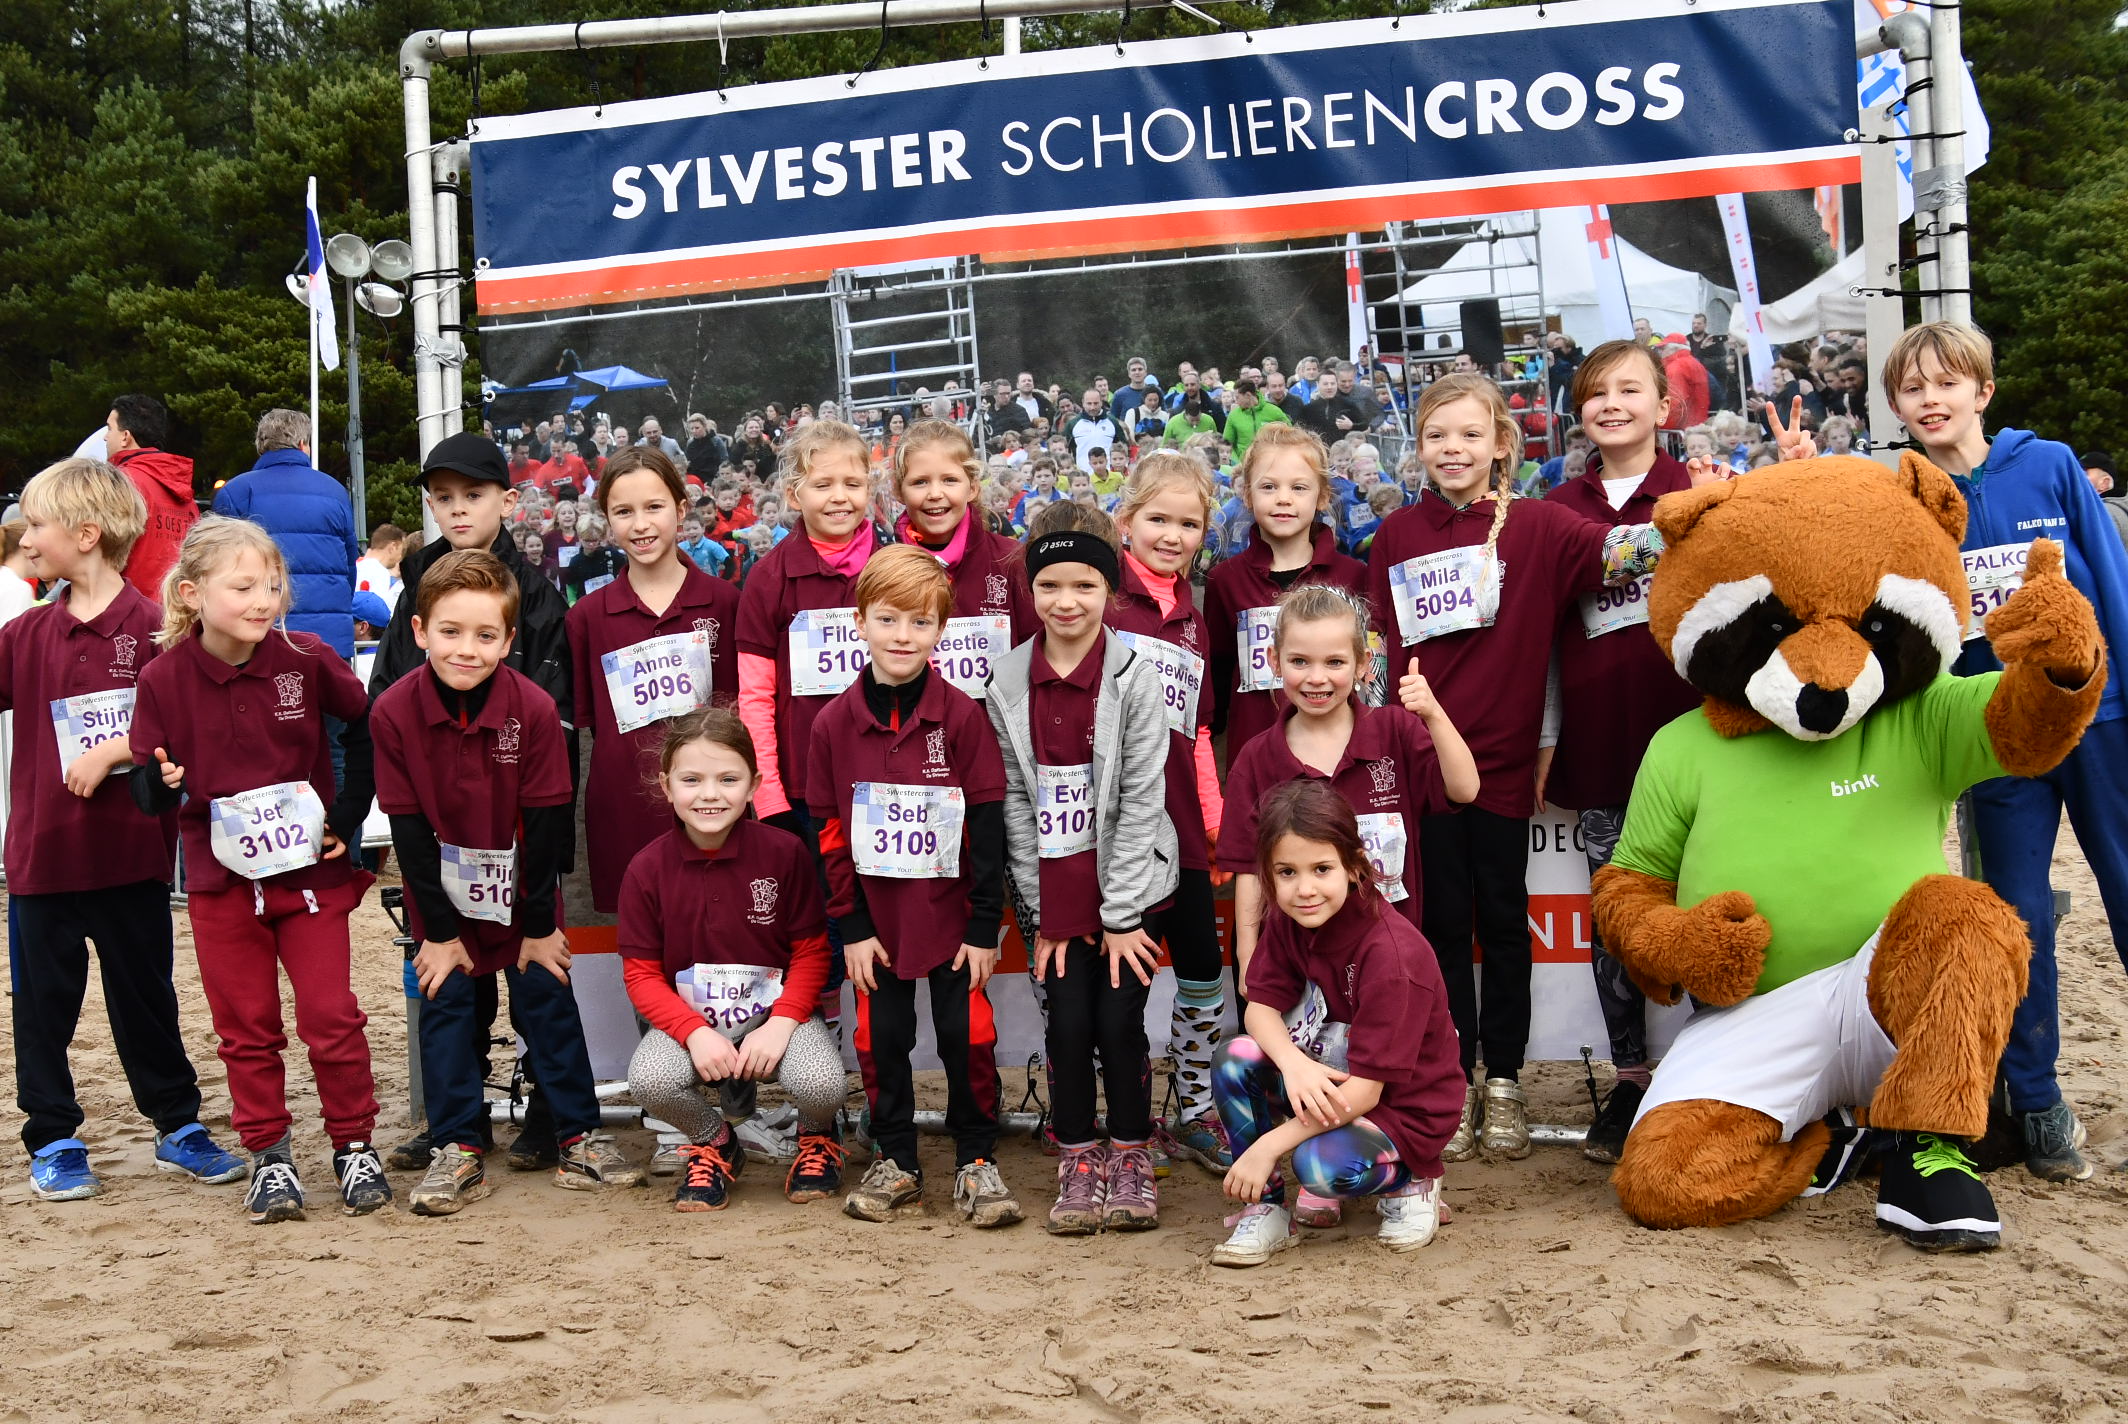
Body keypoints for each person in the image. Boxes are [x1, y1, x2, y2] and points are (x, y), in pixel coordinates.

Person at [1366, 373, 1663, 1162]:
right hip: (1420, 767)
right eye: (1437, 435)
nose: (1452, 449)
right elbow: (1378, 654)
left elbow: (1627, 554)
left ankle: (1503, 1080)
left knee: (1502, 925)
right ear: (1418, 446)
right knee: (1436, 929)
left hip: (1501, 770)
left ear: (1502, 443)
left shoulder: (1539, 526)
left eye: (1470, 434)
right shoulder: (1395, 534)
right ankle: (1450, 1078)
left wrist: (1712, 510)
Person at [1887, 321, 2128, 1183]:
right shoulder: (1907, 498)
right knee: (2017, 920)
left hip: (2097, 719)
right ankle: (2037, 1102)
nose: (1930, 399)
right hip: (1993, 737)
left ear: (1982, 391)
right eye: (1912, 388)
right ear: (1897, 405)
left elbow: (2110, 578)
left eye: (1946, 382)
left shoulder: (2051, 465)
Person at [128, 517, 389, 1223]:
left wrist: (348, 816)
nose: (262, 601)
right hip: (221, 885)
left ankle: (354, 1145)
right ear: (192, 594)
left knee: (332, 1016)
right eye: (242, 587)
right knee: (246, 1026)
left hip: (309, 875)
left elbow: (365, 724)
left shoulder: (305, 658)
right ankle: (270, 1156)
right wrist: (161, 782)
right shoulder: (162, 677)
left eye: (272, 586)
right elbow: (147, 787)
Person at [4, 459, 244, 1202]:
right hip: (41, 860)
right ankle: (53, 1136)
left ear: (86, 534)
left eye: (36, 524)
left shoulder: (156, 631)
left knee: (146, 1001)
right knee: (42, 1010)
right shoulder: (25, 634)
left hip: (132, 857)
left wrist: (118, 748)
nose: (25, 538)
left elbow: (195, 723)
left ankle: (177, 1125)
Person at [373, 549, 636, 1214]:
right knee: (447, 1004)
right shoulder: (393, 712)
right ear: (420, 631)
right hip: (441, 891)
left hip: (524, 888)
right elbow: (408, 833)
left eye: (485, 635)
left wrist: (538, 927)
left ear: (508, 639)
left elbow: (546, 824)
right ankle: (457, 1147)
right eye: (451, 631)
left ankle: (577, 1135)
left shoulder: (537, 708)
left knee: (546, 998)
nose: (467, 649)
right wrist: (438, 935)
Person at [1217, 584, 1477, 1225]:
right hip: (1303, 965)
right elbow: (1248, 867)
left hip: (1383, 971)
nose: (1317, 677)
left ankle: (1406, 1172)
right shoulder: (1258, 756)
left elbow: (1465, 789)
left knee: (1378, 1077)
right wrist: (1249, 954)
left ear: (1364, 665)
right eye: (1300, 661)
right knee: (1290, 1062)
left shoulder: (1393, 731)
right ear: (1274, 662)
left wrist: (1433, 713)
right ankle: (1290, 1193)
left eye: (1335, 662)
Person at [366, 431, 574, 1172]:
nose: (458, 510)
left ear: (505, 501)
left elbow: (550, 716)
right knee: (450, 982)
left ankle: (551, 1117)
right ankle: (456, 1123)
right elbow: (385, 697)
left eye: (473, 495)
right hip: (439, 835)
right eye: (443, 498)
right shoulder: (416, 583)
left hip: (518, 827)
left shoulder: (537, 592)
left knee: (537, 979)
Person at [805, 547, 1019, 1227]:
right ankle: (896, 1158)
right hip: (877, 924)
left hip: (953, 921)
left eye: (921, 622)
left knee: (968, 1034)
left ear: (941, 630)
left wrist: (984, 924)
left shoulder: (962, 717)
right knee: (879, 1039)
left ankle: (976, 1159)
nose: (903, 635)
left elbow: (988, 825)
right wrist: (852, 926)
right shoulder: (831, 725)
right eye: (888, 619)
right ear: (860, 622)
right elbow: (830, 834)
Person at [988, 505, 1178, 1233]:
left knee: (1119, 1021)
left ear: (1110, 589)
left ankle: (1130, 1152)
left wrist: (1121, 915)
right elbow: (1014, 802)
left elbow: (1141, 799)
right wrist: (1045, 913)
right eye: (1050, 586)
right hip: (1055, 893)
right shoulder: (1007, 680)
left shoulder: (1135, 677)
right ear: (1030, 590)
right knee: (1067, 1024)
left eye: (1084, 586)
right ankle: (1076, 1155)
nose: (1066, 602)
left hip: (1132, 888)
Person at [1542, 339, 1710, 1161]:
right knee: (1615, 923)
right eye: (1596, 392)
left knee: (1706, 908)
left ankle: (1716, 1076)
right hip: (1601, 745)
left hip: (1700, 746)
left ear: (1663, 407)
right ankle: (1631, 1081)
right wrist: (1544, 742)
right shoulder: (1552, 508)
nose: (1612, 404)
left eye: (1629, 390)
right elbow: (1541, 637)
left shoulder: (1698, 493)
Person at [1208, 781, 1464, 1266]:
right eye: (1286, 872)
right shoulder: (1290, 918)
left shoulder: (1392, 955)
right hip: (1326, 1076)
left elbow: (1366, 1093)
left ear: (1354, 865)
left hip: (1401, 1108)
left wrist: (1268, 1146)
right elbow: (1258, 1008)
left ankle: (1413, 1181)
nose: (1304, 889)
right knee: (1234, 1057)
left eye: (1321, 869)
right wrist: (1294, 1065)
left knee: (1320, 1168)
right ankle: (1265, 1210)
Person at [620, 708, 849, 1211]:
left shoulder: (785, 853)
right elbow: (641, 974)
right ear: (666, 786)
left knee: (823, 1084)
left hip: (776, 1018)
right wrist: (693, 1033)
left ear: (754, 786)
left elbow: (812, 952)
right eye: (691, 780)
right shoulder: (645, 868)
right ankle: (715, 1140)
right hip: (694, 1023)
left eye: (728, 779)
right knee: (650, 1080)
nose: (710, 794)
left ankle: (816, 1135)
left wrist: (782, 1023)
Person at [1101, 452, 1229, 1172]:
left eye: (1189, 524)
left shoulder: (1194, 619)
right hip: (1123, 836)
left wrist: (1212, 820)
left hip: (1184, 830)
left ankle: (1194, 1106)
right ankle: (1130, 1115)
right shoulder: (1101, 600)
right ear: (1126, 520)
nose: (1173, 536)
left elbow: (1200, 731)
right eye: (1158, 519)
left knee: (1205, 969)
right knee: (1125, 982)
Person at [568, 447, 741, 914]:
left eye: (654, 507)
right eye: (624, 511)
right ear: (607, 520)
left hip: (714, 810)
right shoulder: (586, 618)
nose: (641, 524)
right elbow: (595, 726)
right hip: (626, 813)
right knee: (643, 939)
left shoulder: (726, 604)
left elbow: (740, 714)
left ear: (681, 510)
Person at [1205, 426, 1371, 758]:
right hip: (1256, 758)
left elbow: (1368, 677)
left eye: (1298, 487)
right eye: (1269, 487)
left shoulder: (1354, 576)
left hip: (1339, 758)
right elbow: (1218, 678)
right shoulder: (1224, 581)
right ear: (1248, 495)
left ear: (1322, 496)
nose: (1284, 498)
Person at [890, 420, 1039, 690]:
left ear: (972, 487)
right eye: (920, 482)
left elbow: (1038, 653)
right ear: (899, 491)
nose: (935, 494)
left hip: (994, 715)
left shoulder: (1011, 561)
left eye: (950, 480)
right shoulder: (884, 569)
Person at [213, 410, 360, 658]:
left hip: (260, 633)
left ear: (261, 446)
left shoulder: (236, 491)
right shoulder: (335, 491)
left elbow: (218, 567)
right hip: (329, 636)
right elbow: (349, 565)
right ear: (303, 444)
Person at [103, 394, 198, 598]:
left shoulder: (120, 484)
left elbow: (99, 554)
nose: (105, 437)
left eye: (110, 428)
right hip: (175, 607)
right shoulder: (184, 491)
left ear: (125, 436)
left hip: (127, 608)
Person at [1220, 377, 1292, 466]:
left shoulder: (1274, 411)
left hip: (1272, 464)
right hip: (1244, 466)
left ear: (1248, 395)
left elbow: (1290, 436)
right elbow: (1226, 444)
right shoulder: (1233, 416)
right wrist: (1237, 463)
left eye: (1237, 397)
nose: (1235, 401)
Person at [355, 523, 407, 614]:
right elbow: (378, 613)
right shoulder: (380, 573)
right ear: (393, 547)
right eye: (401, 550)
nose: (400, 557)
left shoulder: (354, 566)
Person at [2080, 451, 2128, 547]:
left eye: (2084, 473)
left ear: (2105, 483)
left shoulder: (2102, 513)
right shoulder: (2119, 508)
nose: (2076, 478)